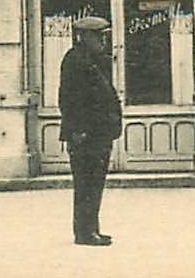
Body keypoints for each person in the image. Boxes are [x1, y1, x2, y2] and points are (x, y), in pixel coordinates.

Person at [59, 15, 122, 247]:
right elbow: (68, 99)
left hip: (99, 132)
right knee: (85, 183)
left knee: (95, 183)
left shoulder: (95, 59)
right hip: (85, 134)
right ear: (84, 37)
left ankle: (92, 228)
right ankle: (84, 233)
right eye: (99, 37)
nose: (103, 41)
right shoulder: (74, 60)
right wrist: (77, 129)